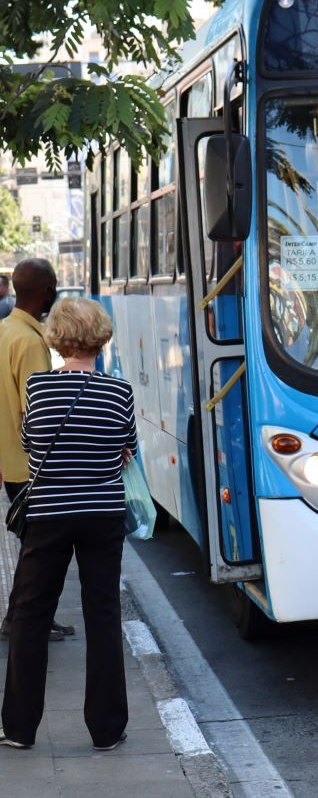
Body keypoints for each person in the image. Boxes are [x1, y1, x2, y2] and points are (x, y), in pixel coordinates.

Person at [0, 297, 137, 752]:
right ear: (100, 338)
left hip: (49, 514)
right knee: (103, 613)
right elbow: (127, 449)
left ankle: (19, 727)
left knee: (30, 614)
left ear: (57, 339)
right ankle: (107, 729)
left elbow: (30, 444)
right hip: (102, 514)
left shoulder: (39, 387)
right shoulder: (119, 392)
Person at [0, 259, 74, 642]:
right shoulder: (30, 342)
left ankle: (26, 617)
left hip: (12, 460)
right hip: (30, 464)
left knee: (35, 549)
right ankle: (24, 621)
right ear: (46, 290)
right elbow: (38, 414)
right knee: (42, 552)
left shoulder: (5, 330)